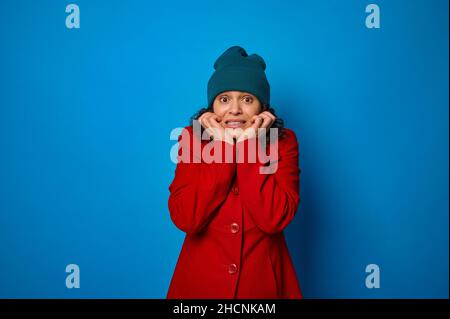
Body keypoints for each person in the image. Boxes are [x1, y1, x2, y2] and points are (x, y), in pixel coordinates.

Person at [167, 46, 303, 299]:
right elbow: (188, 219)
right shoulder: (191, 140)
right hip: (201, 286)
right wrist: (224, 149)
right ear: (212, 107)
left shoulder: (283, 142)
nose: (235, 110)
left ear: (263, 107)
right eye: (224, 99)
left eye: (247, 99)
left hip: (263, 286)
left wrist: (248, 146)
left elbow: (274, 219)